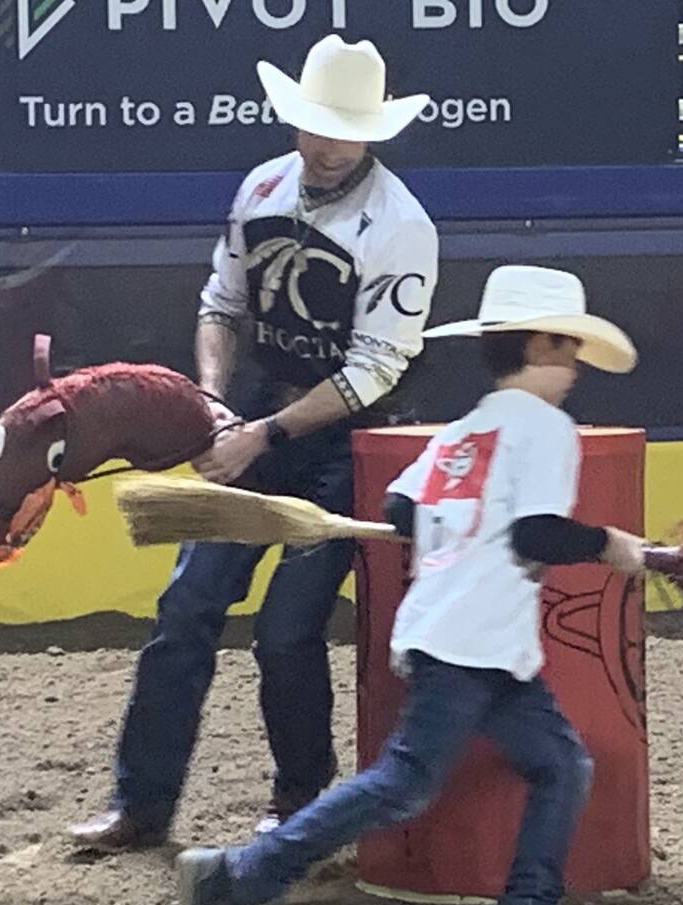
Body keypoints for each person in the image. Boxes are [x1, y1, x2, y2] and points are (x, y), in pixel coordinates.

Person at [173, 265, 645, 905]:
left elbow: (401, 510)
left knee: (559, 765)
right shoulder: (546, 430)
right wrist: (608, 544)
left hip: (459, 630)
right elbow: (535, 534)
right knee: (406, 781)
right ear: (541, 344)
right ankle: (238, 875)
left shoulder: (469, 426)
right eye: (568, 347)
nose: (575, 365)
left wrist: (458, 527)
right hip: (477, 637)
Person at [68, 35, 440, 850]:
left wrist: (255, 433)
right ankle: (143, 803)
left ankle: (298, 803)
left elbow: (375, 371)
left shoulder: (402, 227)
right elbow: (221, 305)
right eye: (315, 124)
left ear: (373, 133)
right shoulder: (263, 186)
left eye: (344, 129)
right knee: (187, 608)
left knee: (286, 630)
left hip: (347, 448)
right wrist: (211, 402)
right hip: (255, 426)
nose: (327, 142)